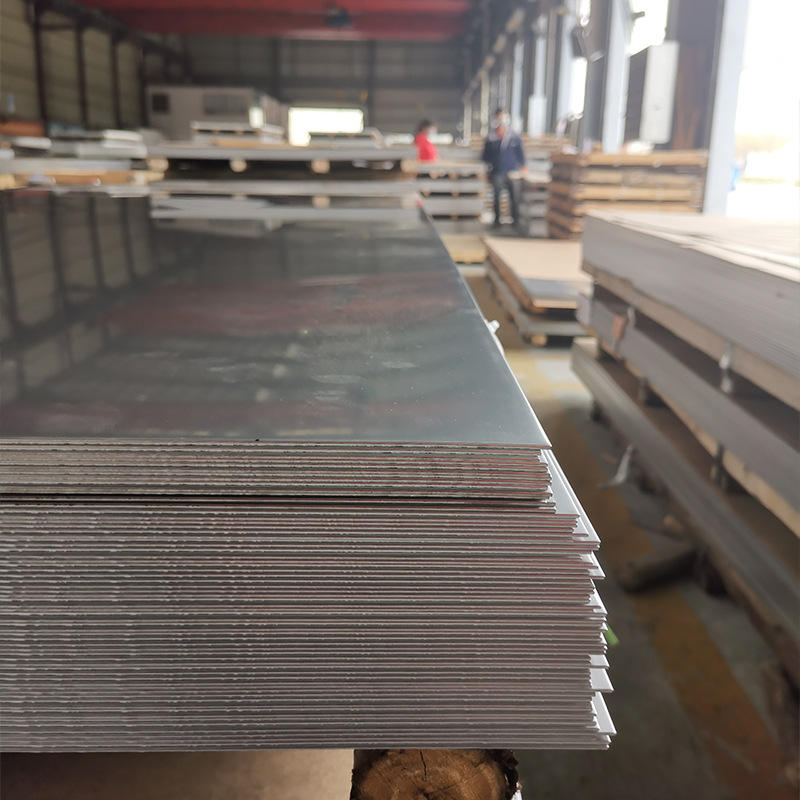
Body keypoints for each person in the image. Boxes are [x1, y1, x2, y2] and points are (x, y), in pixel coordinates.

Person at [482, 109, 526, 228]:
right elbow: (485, 156)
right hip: (497, 172)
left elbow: (520, 154)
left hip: (512, 172)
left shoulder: (514, 137)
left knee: (514, 197)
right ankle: (497, 222)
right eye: (499, 118)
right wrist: (487, 171)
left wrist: (523, 167)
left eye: (503, 118)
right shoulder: (491, 138)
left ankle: (515, 221)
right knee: (497, 197)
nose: (501, 121)